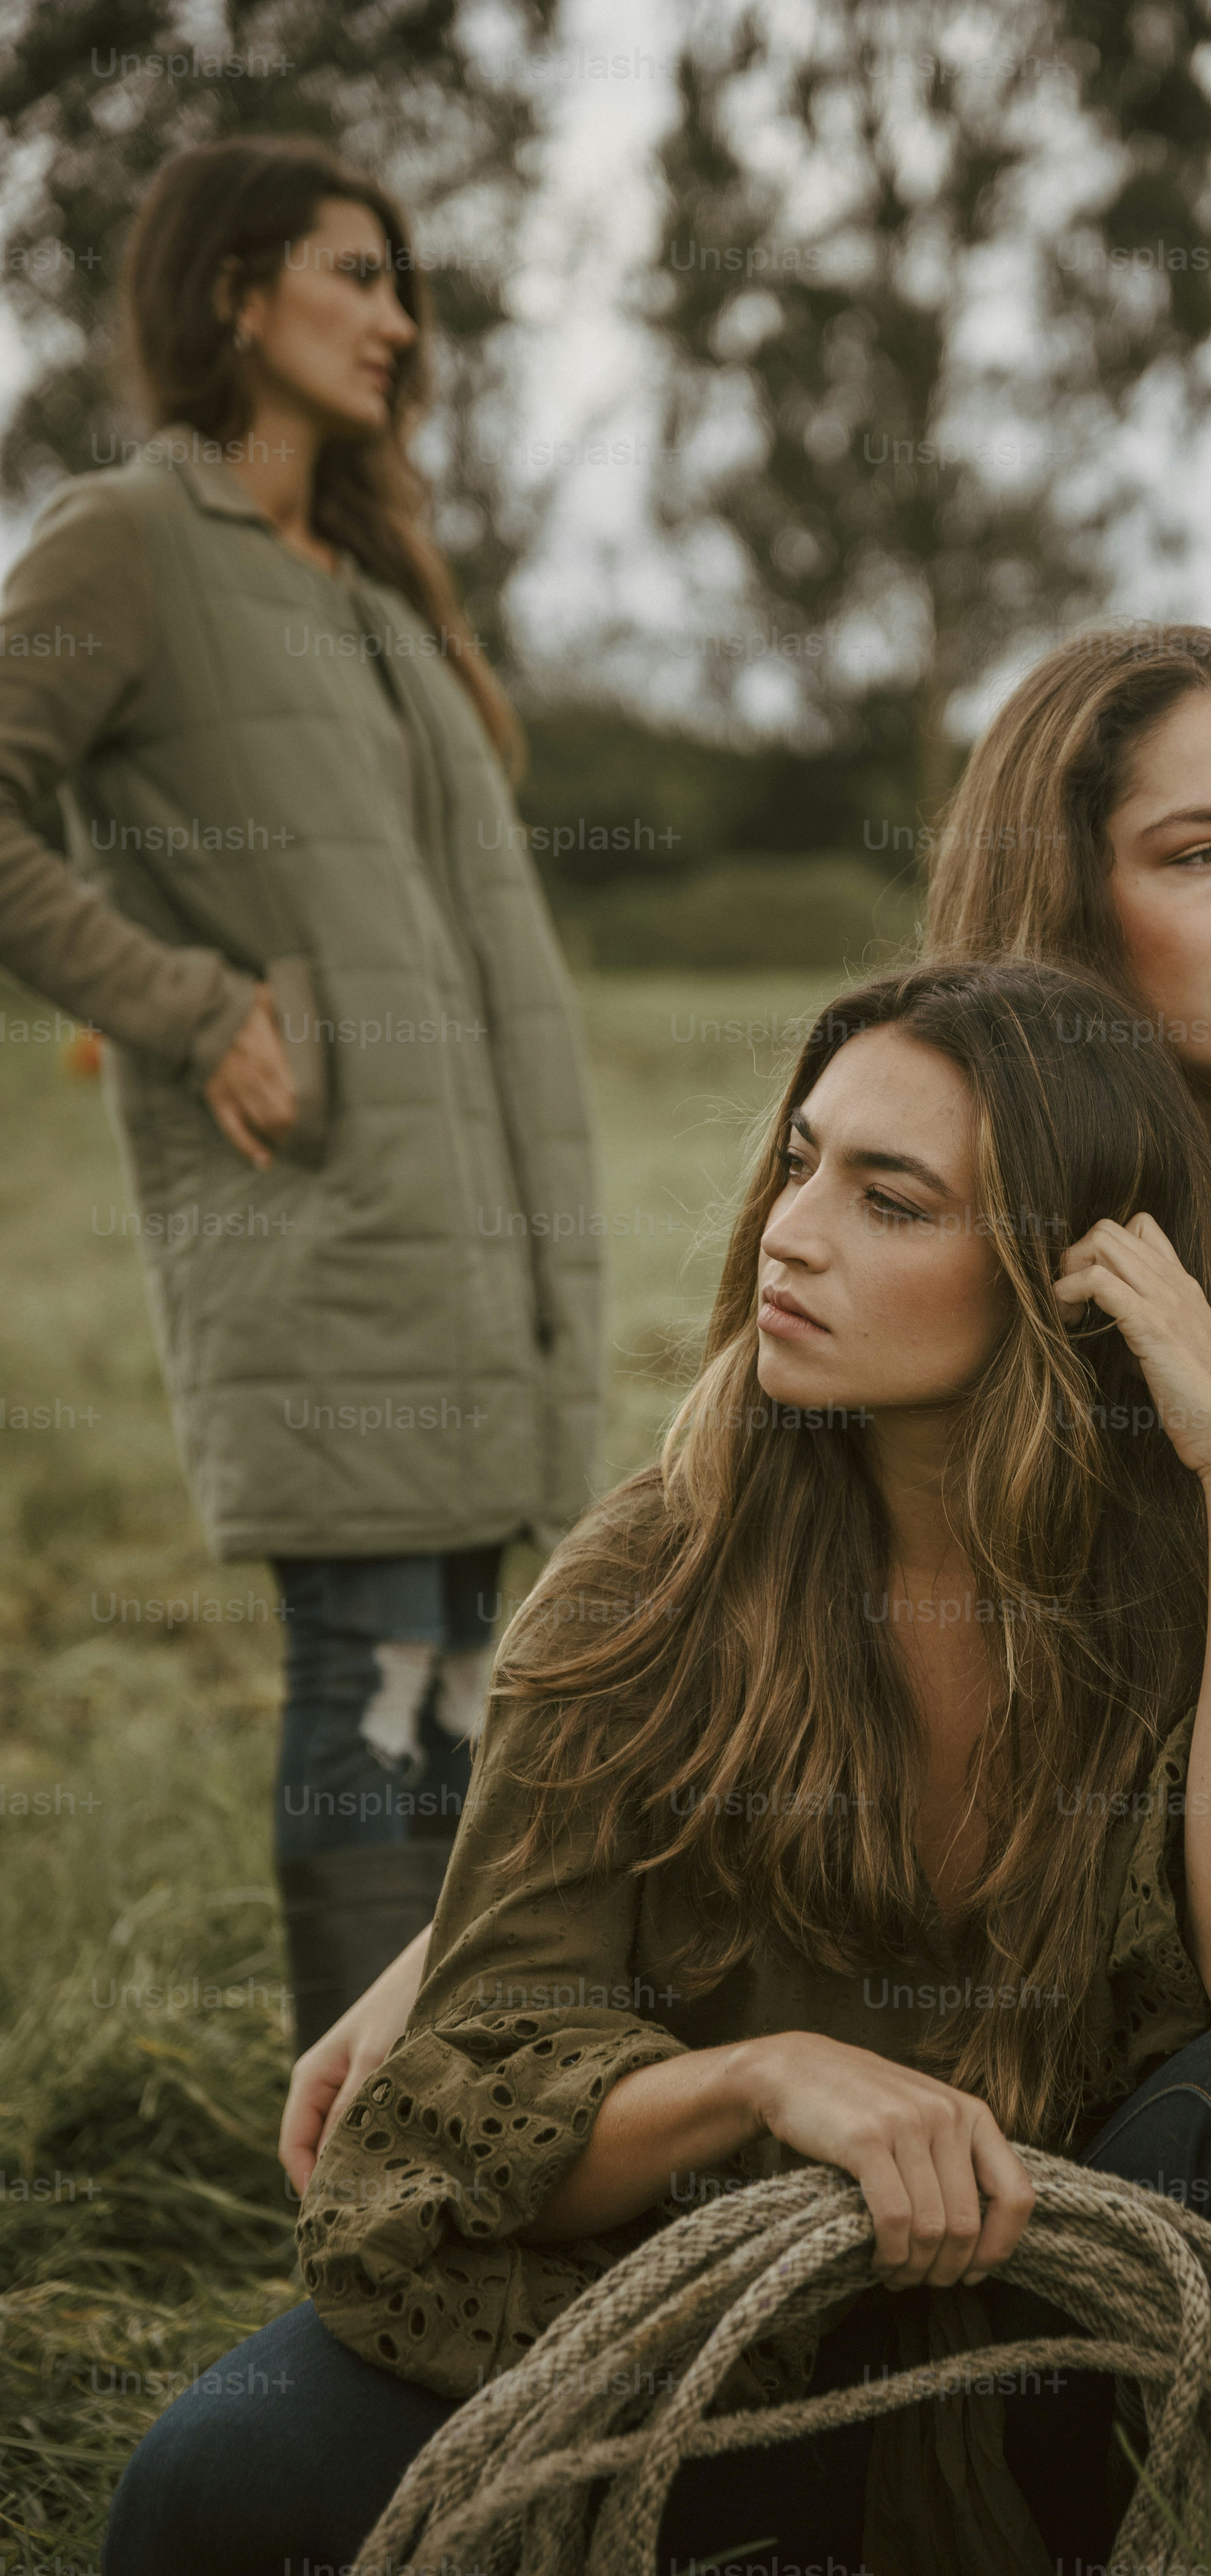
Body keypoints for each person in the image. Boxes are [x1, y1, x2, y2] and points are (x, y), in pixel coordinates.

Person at [278, 624, 1211, 2490]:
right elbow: (754, 1484)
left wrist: (1175, 1406)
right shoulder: (930, 1157)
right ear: (1063, 910)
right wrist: (479, 1930)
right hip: (1025, 1949)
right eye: (1199, 854)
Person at [106, 958, 1211, 2576]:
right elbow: (471, 2110)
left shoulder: (1191, 1583)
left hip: (1056, 2351)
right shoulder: (646, 1582)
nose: (791, 1227)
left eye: (889, 1201)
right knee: (214, 2490)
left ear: (1064, 1278)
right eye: (802, 1160)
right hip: (703, 2331)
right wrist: (762, 2080)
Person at [0, 137, 603, 2045]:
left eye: (404, 287)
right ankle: (371, 2210)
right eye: (359, 275)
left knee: (447, 1696)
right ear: (237, 291)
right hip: (326, 1227)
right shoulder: (131, 534)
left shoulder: (383, 591)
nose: (399, 323)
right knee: (367, 1679)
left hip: (476, 1242)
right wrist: (182, 1001)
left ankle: (461, 2156)